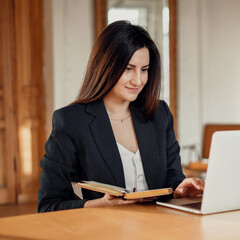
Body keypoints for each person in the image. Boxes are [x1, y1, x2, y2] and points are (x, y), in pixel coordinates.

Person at [38, 21, 204, 212]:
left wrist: (181, 188)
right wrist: (100, 204)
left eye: (144, 70)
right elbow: (49, 205)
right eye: (128, 69)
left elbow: (173, 178)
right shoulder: (71, 121)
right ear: (106, 66)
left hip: (160, 228)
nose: (138, 80)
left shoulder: (159, 114)